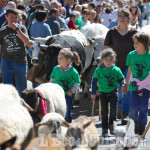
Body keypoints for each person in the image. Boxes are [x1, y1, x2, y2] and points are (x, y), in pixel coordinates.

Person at [103, 8, 138, 124]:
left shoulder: (134, 33)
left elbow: (138, 49)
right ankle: (118, 108)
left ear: (129, 19)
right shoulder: (111, 32)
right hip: (114, 66)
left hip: (129, 66)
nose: (121, 18)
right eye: (119, 16)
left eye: (123, 16)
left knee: (127, 89)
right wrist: (104, 63)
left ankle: (125, 113)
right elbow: (106, 48)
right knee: (117, 90)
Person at [91, 48, 126, 137]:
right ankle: (104, 129)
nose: (108, 61)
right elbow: (94, 81)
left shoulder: (116, 69)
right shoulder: (98, 70)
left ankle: (112, 127)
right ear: (102, 60)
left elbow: (121, 79)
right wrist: (93, 92)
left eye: (110, 59)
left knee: (113, 111)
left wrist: (123, 84)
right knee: (104, 112)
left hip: (113, 92)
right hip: (103, 93)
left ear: (114, 59)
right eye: (106, 59)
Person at [0, 8, 30, 94]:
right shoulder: (2, 31)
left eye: (16, 17)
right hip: (6, 61)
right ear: (6, 17)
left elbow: (27, 42)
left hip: (20, 61)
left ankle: (21, 105)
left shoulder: (22, 28)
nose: (13, 19)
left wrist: (17, 30)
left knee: (22, 88)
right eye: (11, 17)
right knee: (7, 88)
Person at [126, 32, 150, 135]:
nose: (135, 44)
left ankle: (141, 125)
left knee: (143, 107)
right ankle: (136, 121)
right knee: (133, 107)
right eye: (134, 42)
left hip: (146, 85)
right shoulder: (131, 55)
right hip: (134, 85)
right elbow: (130, 70)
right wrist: (126, 83)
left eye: (138, 42)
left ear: (144, 43)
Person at [50, 48, 81, 123]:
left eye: (61, 58)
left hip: (68, 95)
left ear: (68, 60)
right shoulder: (55, 69)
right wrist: (51, 88)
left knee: (67, 113)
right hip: (57, 95)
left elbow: (77, 82)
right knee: (56, 111)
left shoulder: (73, 71)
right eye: (58, 58)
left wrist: (72, 91)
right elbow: (52, 79)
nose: (59, 60)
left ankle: (67, 128)